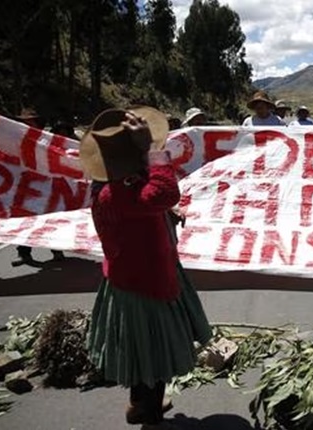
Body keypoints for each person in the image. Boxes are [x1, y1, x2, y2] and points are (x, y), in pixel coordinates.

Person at [79, 107, 212, 426]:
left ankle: (139, 405)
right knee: (154, 356)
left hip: (133, 278)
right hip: (146, 285)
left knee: (142, 353)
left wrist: (165, 214)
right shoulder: (117, 192)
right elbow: (162, 193)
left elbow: (149, 204)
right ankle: (149, 415)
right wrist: (152, 150)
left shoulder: (115, 186)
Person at [11, 109, 66, 266]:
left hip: (47, 187)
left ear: (37, 123)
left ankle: (57, 250)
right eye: (23, 121)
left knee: (49, 220)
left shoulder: (47, 141)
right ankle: (24, 253)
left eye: (29, 121)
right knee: (26, 221)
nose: (24, 124)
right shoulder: (16, 139)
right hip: (26, 187)